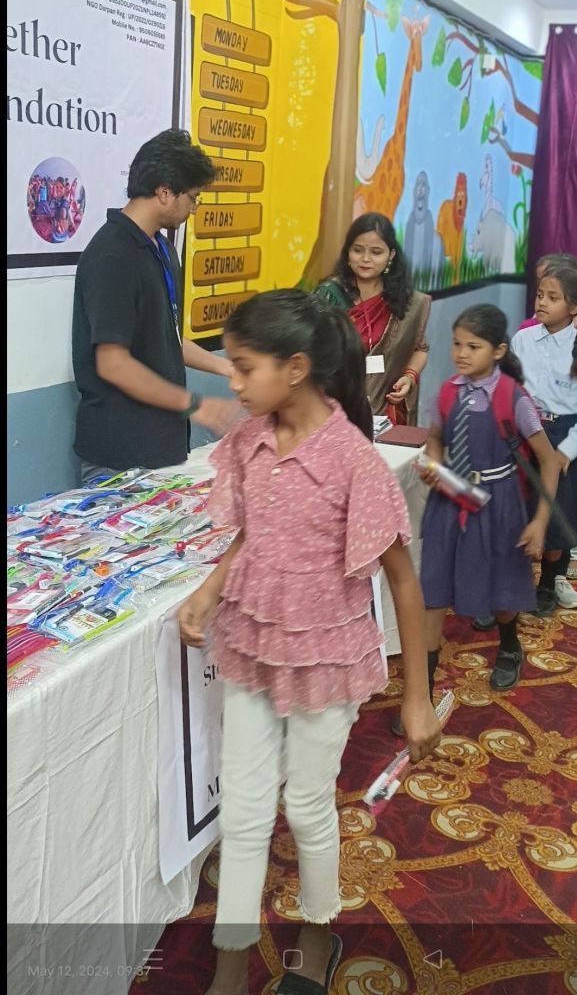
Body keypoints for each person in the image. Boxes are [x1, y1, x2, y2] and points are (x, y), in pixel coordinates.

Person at [178, 289, 440, 995]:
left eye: (243, 367)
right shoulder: (250, 440)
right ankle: (230, 965)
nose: (233, 382)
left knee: (306, 806)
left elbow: (402, 580)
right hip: (252, 647)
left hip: (327, 658)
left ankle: (318, 932)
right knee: (242, 812)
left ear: (295, 368)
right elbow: (253, 532)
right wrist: (209, 590)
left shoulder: (352, 460)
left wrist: (417, 697)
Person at [391, 305, 558, 736]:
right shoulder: (447, 392)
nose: (461, 354)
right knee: (433, 592)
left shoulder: (513, 398)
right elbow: (435, 441)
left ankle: (509, 645)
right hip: (450, 501)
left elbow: (548, 461)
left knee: (501, 583)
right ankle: (423, 693)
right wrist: (434, 467)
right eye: (457, 344)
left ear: (498, 350)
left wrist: (539, 522)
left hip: (498, 502)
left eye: (473, 346)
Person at [72, 129, 236, 483]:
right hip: (119, 457)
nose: (194, 209)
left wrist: (230, 368)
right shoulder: (113, 256)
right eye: (192, 198)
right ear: (164, 192)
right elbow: (113, 364)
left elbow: (168, 340)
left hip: (162, 448)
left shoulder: (161, 250)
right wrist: (196, 404)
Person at [315, 213, 430, 424]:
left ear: (391, 255)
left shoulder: (407, 301)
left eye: (376, 252)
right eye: (358, 250)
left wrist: (409, 378)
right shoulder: (329, 295)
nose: (365, 259)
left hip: (387, 409)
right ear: (347, 252)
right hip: (338, 408)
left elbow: (420, 348)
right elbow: (314, 352)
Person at [510, 258, 577, 614]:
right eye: (540, 295)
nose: (542, 302)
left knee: (556, 514)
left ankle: (549, 582)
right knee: (515, 508)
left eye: (553, 297)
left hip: (564, 433)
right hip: (524, 429)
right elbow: (509, 386)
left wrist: (567, 451)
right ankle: (508, 585)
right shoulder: (523, 339)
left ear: (573, 307)